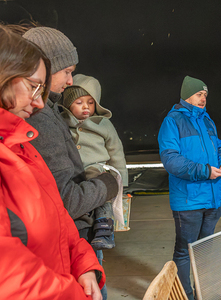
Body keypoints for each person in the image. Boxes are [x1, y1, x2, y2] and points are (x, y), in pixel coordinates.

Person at [0, 24, 104, 300]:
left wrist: (82, 262)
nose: (38, 103)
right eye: (34, 87)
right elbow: (10, 275)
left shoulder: (23, 145)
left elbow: (57, 214)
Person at [22, 26, 118, 300]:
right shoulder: (39, 119)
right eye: (66, 71)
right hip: (72, 239)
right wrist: (109, 184)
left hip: (74, 242)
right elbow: (66, 200)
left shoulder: (50, 110)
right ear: (44, 69)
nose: (70, 79)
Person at [158, 75, 221, 300]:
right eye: (199, 94)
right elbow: (170, 159)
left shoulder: (208, 120)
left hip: (212, 198)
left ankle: (203, 293)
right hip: (188, 200)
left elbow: (218, 147)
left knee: (203, 251)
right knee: (184, 251)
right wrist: (205, 170)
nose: (203, 99)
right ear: (186, 95)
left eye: (205, 95)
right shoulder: (172, 121)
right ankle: (185, 295)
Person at [61, 74, 128, 250]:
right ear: (68, 103)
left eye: (91, 102)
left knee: (99, 184)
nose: (86, 107)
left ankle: (104, 226)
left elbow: (116, 150)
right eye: (79, 102)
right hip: (72, 171)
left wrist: (123, 181)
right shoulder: (61, 121)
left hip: (96, 168)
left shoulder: (103, 124)